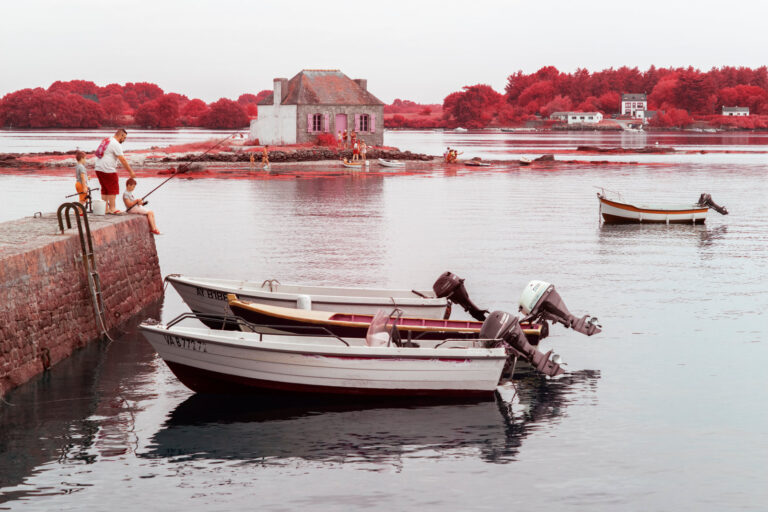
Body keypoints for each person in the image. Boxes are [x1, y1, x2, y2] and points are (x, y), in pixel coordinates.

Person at [94, 128, 135, 214]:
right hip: (108, 169)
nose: (124, 140)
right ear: (121, 135)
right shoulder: (116, 144)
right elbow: (122, 159)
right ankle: (112, 208)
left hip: (98, 167)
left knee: (105, 189)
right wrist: (130, 171)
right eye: (124, 138)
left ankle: (105, 209)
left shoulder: (107, 140)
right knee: (113, 188)